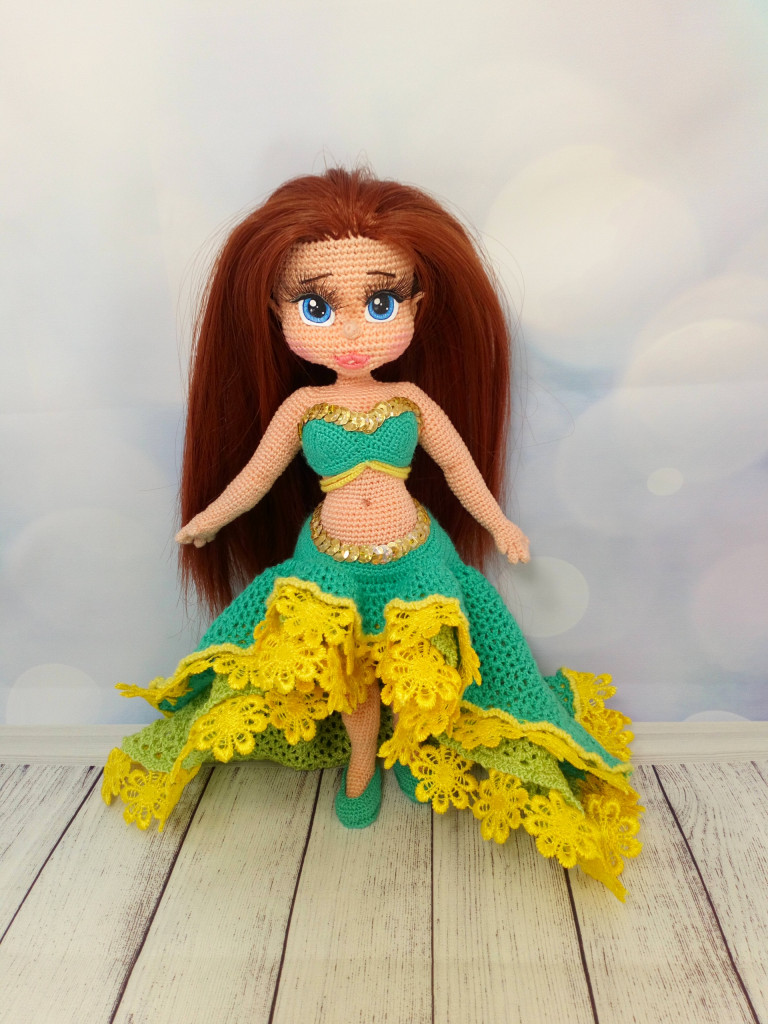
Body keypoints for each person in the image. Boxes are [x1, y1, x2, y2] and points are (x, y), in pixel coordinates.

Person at [102, 168, 641, 899]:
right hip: (331, 566)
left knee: (418, 666)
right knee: (351, 669)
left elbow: (459, 467)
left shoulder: (410, 401)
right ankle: (362, 762)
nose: (353, 332)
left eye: (380, 303)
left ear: (415, 306)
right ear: (276, 309)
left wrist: (498, 523)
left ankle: (413, 749)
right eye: (318, 306)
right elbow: (256, 477)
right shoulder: (302, 410)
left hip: (414, 558)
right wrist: (209, 518)